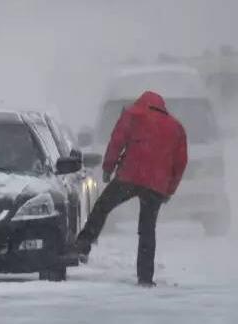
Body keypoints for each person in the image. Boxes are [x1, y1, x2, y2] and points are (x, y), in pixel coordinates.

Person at [73, 91, 188, 287]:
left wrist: (108, 168)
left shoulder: (133, 115)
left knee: (103, 206)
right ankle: (145, 277)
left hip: (130, 177)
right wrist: (169, 190)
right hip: (156, 185)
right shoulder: (176, 128)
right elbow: (180, 163)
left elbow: (117, 142)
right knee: (147, 229)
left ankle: (82, 246)